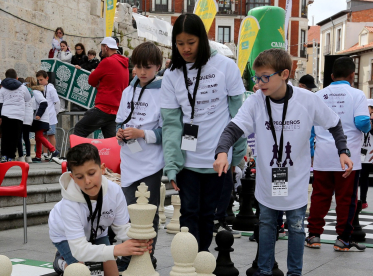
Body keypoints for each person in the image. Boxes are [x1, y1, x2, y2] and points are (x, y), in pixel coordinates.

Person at [214, 48, 352, 276]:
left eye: (265, 77)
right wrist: (221, 152)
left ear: (285, 74)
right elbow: (233, 128)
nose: (259, 83)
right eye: (258, 77)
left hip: (296, 179)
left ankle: (295, 273)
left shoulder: (307, 100)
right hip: (268, 179)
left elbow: (334, 123)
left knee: (297, 227)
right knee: (267, 225)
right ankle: (265, 271)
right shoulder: (257, 101)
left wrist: (343, 150)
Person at [161, 13, 246, 252]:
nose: (185, 49)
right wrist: (172, 163)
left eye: (191, 42)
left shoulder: (225, 66)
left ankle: (201, 258)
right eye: (180, 43)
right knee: (188, 213)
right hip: (188, 159)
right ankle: (189, 260)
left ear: (202, 39)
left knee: (209, 214)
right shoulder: (171, 75)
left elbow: (238, 113)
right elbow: (171, 123)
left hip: (218, 157)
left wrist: (237, 154)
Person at [49, 143, 152, 275]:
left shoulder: (114, 191)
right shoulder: (69, 204)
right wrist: (117, 249)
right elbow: (80, 250)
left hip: (97, 231)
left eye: (92, 173)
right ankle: (61, 263)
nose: (87, 181)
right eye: (80, 177)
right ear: (73, 178)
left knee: (112, 272)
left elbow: (122, 229)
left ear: (102, 169)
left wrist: (140, 239)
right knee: (80, 271)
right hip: (64, 234)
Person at [306, 57, 369, 252]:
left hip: (323, 155)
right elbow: (362, 123)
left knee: (319, 196)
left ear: (331, 76)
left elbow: (310, 128)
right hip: (349, 157)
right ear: (352, 75)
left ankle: (314, 235)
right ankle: (342, 239)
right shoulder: (357, 95)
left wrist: (311, 152)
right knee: (346, 199)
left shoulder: (318, 95)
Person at [115, 41, 163, 272]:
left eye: (148, 67)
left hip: (151, 163)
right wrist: (121, 133)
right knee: (126, 212)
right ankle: (128, 255)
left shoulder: (164, 91)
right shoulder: (128, 90)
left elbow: (168, 131)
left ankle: (147, 257)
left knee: (148, 212)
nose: (142, 71)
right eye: (138, 66)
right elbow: (121, 119)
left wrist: (142, 133)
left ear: (158, 67)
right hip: (129, 159)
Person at [74, 37, 129, 138]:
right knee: (112, 141)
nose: (101, 51)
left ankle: (76, 154)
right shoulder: (124, 64)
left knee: (79, 129)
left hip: (104, 108)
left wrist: (99, 83)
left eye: (101, 48)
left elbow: (91, 80)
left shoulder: (107, 61)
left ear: (106, 47)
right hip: (116, 110)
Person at [0, 69, 32, 162]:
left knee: (6, 136)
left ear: (6, 77)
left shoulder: (3, 88)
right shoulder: (23, 88)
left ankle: (4, 156)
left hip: (6, 114)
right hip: (18, 115)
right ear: (16, 77)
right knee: (15, 137)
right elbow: (28, 98)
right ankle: (11, 156)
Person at [29, 77, 58, 163]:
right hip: (40, 118)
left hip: (41, 118)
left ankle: (53, 150)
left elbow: (44, 103)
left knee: (39, 136)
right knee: (38, 137)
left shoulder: (35, 92)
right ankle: (38, 156)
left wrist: (38, 115)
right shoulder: (36, 92)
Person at [36, 70, 60, 160]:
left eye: (41, 80)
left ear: (47, 78)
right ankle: (45, 153)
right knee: (44, 135)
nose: (40, 82)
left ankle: (53, 153)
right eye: (38, 80)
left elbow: (57, 102)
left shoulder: (51, 89)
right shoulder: (40, 89)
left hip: (51, 115)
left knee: (51, 134)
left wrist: (55, 113)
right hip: (43, 116)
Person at [16, 77, 36, 163]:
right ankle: (28, 156)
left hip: (21, 116)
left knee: (19, 137)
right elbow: (34, 106)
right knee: (26, 137)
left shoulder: (20, 91)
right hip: (29, 116)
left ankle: (21, 156)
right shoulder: (31, 92)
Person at [360, 99, 373, 209]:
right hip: (362, 155)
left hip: (370, 154)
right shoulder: (361, 120)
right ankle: (362, 200)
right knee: (363, 178)